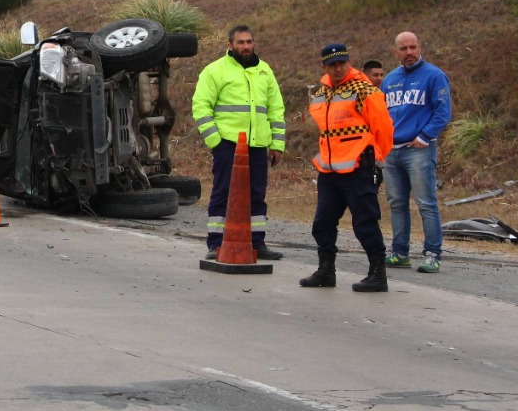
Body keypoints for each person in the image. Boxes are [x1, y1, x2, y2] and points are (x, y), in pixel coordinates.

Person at [301, 44, 395, 292]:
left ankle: (378, 275)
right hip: (329, 170)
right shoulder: (321, 92)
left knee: (365, 223)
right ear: (324, 67)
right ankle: (326, 271)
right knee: (322, 223)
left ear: (349, 62)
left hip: (358, 168)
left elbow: (384, 128)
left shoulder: (364, 89)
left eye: (342, 63)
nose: (338, 68)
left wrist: (376, 159)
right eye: (332, 64)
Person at [191, 25, 287, 261]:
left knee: (256, 194)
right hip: (228, 143)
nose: (246, 46)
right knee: (223, 191)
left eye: (249, 42)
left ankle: (257, 243)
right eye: (240, 42)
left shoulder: (265, 71)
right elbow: (201, 106)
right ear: (230, 45)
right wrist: (215, 140)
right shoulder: (215, 70)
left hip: (257, 145)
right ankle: (216, 243)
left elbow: (276, 109)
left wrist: (277, 144)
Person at [382, 31, 452, 273]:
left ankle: (432, 253)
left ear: (420, 47)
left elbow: (443, 112)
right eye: (403, 48)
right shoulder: (389, 79)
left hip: (419, 149)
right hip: (392, 151)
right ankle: (400, 252)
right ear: (396, 52)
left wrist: (424, 137)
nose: (409, 52)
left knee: (425, 203)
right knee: (396, 203)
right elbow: (382, 114)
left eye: (413, 47)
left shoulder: (434, 76)